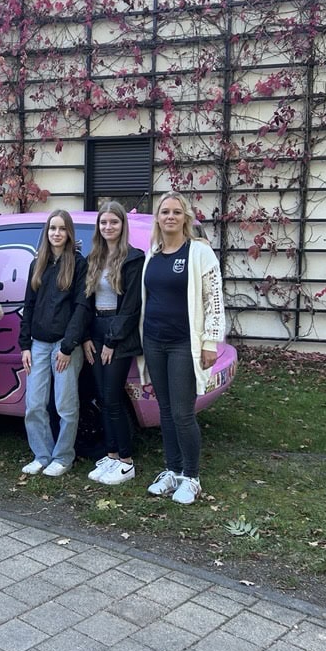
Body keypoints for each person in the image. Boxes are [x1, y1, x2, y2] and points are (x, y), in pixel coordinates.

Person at [141, 191, 226, 504]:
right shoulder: (153, 253)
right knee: (164, 410)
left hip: (183, 344)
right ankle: (172, 471)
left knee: (182, 412)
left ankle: (191, 477)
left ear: (185, 218)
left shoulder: (199, 253)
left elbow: (214, 301)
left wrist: (209, 342)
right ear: (158, 219)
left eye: (177, 212)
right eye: (165, 212)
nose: (170, 217)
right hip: (153, 341)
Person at [19, 209, 88, 477]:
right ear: (46, 233)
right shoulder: (37, 265)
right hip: (38, 344)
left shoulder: (78, 264)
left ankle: (62, 457)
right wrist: (25, 345)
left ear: (69, 233)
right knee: (34, 404)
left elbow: (82, 307)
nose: (56, 233)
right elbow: (29, 306)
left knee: (65, 405)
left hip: (64, 347)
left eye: (61, 229)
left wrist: (68, 346)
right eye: (52, 229)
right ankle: (42, 454)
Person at [83, 202, 145, 486]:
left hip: (117, 334)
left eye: (114, 222)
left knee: (113, 397)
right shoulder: (94, 257)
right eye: (103, 222)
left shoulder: (133, 258)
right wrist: (85, 337)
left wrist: (111, 341)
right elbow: (84, 302)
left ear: (122, 225)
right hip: (95, 331)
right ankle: (110, 455)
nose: (108, 227)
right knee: (102, 397)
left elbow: (131, 307)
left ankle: (126, 461)